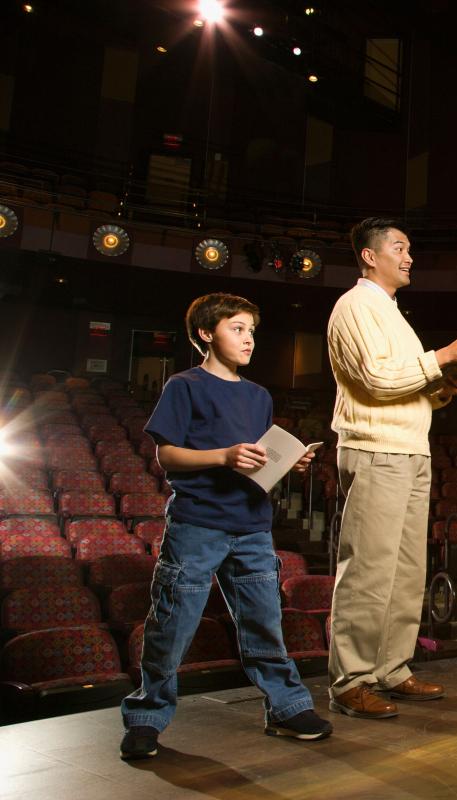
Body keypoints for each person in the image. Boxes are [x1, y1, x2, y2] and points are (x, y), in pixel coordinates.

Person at [120, 292, 331, 760]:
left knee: (264, 623)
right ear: (204, 334)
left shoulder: (258, 396)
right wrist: (225, 456)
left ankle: (286, 707)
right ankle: (145, 718)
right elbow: (167, 454)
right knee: (172, 625)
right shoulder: (184, 385)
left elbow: (255, 461)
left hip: (253, 524)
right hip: (198, 524)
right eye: (237, 328)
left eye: (252, 330)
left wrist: (285, 464)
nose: (248, 338)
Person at [325, 217, 457, 719]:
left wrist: (442, 387)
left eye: (409, 248)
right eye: (400, 247)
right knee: (369, 569)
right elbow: (374, 379)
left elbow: (403, 386)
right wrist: (442, 356)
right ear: (370, 256)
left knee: (406, 571)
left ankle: (391, 669)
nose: (409, 256)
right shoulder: (354, 306)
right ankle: (350, 679)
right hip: (375, 448)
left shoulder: (391, 312)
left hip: (411, 448)